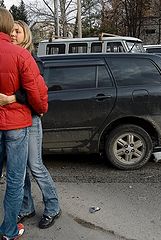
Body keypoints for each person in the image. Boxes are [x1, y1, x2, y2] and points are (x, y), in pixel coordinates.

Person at [0, 20, 61, 230]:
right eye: (12, 31)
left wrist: (12, 98)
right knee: (19, 170)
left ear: (26, 35)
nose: (14, 34)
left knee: (35, 165)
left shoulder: (32, 59)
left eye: (18, 31)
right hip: (16, 120)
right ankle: (26, 207)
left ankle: (53, 206)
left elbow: (35, 91)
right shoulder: (8, 55)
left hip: (31, 118)